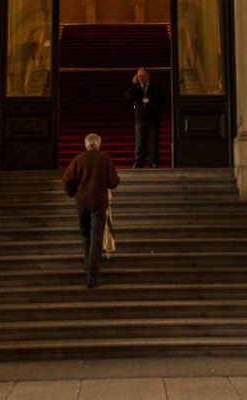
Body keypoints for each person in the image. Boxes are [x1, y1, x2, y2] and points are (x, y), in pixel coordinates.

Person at [62, 133, 120, 288]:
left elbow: (67, 180)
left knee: (85, 235)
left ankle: (88, 265)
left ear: (86, 144)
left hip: (82, 203)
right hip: (99, 202)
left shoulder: (78, 159)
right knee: (96, 237)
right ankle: (92, 272)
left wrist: (73, 193)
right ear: (98, 144)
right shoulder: (104, 158)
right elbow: (114, 181)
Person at [125, 67, 164, 168]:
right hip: (140, 118)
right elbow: (128, 97)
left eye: (143, 76)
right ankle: (139, 161)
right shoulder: (136, 88)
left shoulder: (155, 87)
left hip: (152, 117)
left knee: (153, 140)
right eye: (139, 76)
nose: (141, 78)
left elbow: (160, 101)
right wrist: (133, 84)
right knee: (139, 141)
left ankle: (153, 160)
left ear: (148, 76)